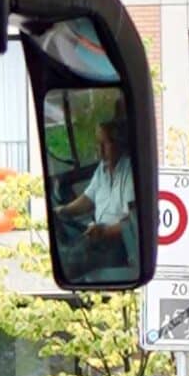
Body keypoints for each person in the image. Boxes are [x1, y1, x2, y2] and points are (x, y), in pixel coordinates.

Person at [51, 118, 135, 280]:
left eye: (104, 143)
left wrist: (104, 232)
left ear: (117, 143)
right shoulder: (101, 170)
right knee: (67, 252)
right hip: (99, 236)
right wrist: (63, 210)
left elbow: (131, 220)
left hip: (118, 243)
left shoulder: (129, 171)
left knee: (69, 263)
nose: (100, 149)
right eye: (98, 143)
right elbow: (87, 199)